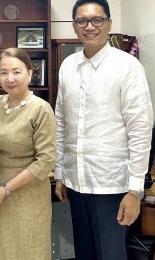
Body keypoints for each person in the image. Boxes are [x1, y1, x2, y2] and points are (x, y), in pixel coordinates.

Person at [54, 0, 153, 259]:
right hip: (76, 184)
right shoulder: (68, 66)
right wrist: (61, 173)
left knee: (110, 254)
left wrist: (134, 190)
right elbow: (62, 122)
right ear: (74, 26)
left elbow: (141, 130)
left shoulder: (127, 66)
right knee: (84, 253)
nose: (90, 26)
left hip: (112, 187)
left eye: (97, 20)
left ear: (109, 23)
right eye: (82, 21)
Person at [0, 47, 56, 260]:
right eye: (3, 72)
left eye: (16, 71)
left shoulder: (41, 109)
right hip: (0, 191)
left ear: (30, 74)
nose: (9, 78)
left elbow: (46, 161)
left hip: (28, 193)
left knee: (32, 250)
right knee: (8, 251)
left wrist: (6, 189)